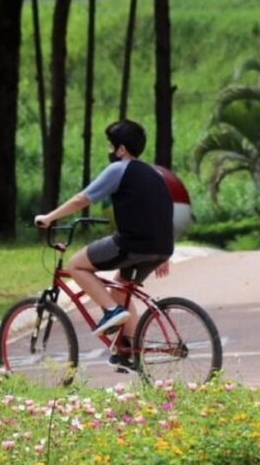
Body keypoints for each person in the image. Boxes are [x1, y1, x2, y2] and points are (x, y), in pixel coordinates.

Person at [34, 119, 174, 370]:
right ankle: (128, 351)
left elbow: (81, 199)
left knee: (76, 265)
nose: (109, 151)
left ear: (121, 149)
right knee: (120, 286)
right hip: (161, 245)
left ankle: (110, 312)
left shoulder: (119, 169)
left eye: (110, 146)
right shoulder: (154, 173)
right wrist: (162, 254)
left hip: (133, 243)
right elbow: (162, 209)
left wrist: (49, 218)